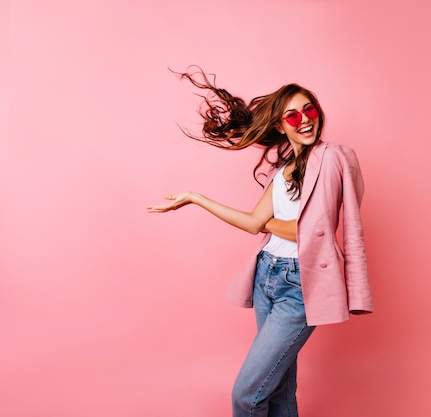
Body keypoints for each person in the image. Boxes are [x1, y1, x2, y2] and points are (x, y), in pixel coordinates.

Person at [147, 67, 373, 417]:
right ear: (281, 126)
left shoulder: (333, 158)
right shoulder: (281, 170)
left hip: (299, 285)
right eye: (293, 115)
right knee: (279, 393)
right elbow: (255, 223)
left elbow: (312, 230)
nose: (304, 120)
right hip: (267, 275)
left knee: (247, 396)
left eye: (309, 110)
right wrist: (195, 198)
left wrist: (270, 224)